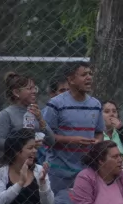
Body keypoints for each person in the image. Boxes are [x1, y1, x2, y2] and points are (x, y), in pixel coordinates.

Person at [42, 62, 105, 195]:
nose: (89, 78)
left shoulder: (96, 104)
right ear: (70, 79)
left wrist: (98, 142)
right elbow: (46, 136)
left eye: (90, 74)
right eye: (84, 75)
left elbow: (99, 133)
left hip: (87, 171)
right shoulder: (55, 104)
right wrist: (72, 140)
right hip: (59, 172)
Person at [0, 72, 55, 159]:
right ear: (16, 92)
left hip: (33, 165)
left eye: (35, 88)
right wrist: (22, 144)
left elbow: (51, 141)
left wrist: (41, 120)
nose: (34, 91)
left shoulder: (36, 112)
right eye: (29, 88)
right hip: (11, 164)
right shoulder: (6, 114)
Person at [102, 100, 123, 173]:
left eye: (114, 111)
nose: (112, 114)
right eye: (107, 111)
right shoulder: (96, 134)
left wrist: (120, 129)